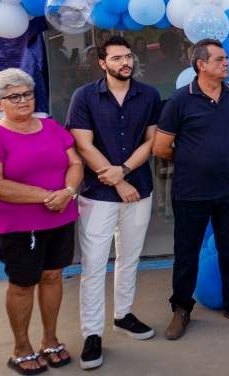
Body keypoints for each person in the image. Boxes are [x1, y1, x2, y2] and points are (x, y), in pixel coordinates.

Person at [0, 68, 83, 375]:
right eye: (13, 96)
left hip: (60, 218)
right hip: (17, 227)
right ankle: (21, 347)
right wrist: (48, 196)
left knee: (53, 277)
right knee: (22, 286)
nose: (23, 100)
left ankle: (50, 340)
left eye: (28, 94)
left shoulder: (51, 127)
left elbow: (74, 162)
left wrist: (69, 192)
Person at [65, 36, 163, 369]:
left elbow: (151, 142)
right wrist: (118, 181)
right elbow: (82, 143)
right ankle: (92, 334)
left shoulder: (148, 95)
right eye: (117, 58)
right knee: (93, 265)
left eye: (128, 57)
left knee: (129, 258)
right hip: (98, 193)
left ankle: (123, 315)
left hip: (139, 189)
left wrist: (123, 171)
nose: (125, 63)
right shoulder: (85, 96)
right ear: (102, 63)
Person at [153, 39, 229, 340]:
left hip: (227, 187)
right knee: (187, 253)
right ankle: (181, 310)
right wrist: (193, 158)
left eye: (226, 58)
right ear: (201, 65)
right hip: (191, 191)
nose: (226, 63)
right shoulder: (179, 101)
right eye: (220, 59)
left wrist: (216, 154)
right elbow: (161, 147)